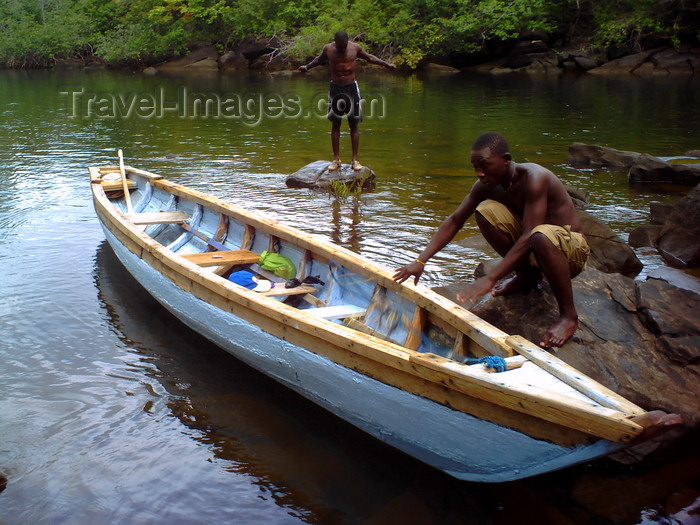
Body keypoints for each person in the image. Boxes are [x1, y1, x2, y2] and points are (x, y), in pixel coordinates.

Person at [393, 132, 590, 348]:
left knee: (540, 235)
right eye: (475, 167)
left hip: (568, 251)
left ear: (506, 160)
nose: (480, 173)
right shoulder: (486, 185)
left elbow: (529, 235)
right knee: (485, 211)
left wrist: (491, 277)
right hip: (536, 243)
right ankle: (528, 276)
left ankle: (569, 317)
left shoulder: (535, 178)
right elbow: (454, 220)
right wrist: (420, 261)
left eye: (485, 166)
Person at [299, 30, 395, 172]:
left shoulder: (355, 48)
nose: (343, 48)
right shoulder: (328, 49)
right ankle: (336, 159)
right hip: (335, 89)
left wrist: (386, 65)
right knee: (335, 124)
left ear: (347, 42)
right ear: (335, 43)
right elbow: (318, 60)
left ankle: (354, 160)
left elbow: (370, 58)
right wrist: (306, 67)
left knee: (353, 124)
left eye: (344, 46)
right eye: (340, 46)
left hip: (351, 88)